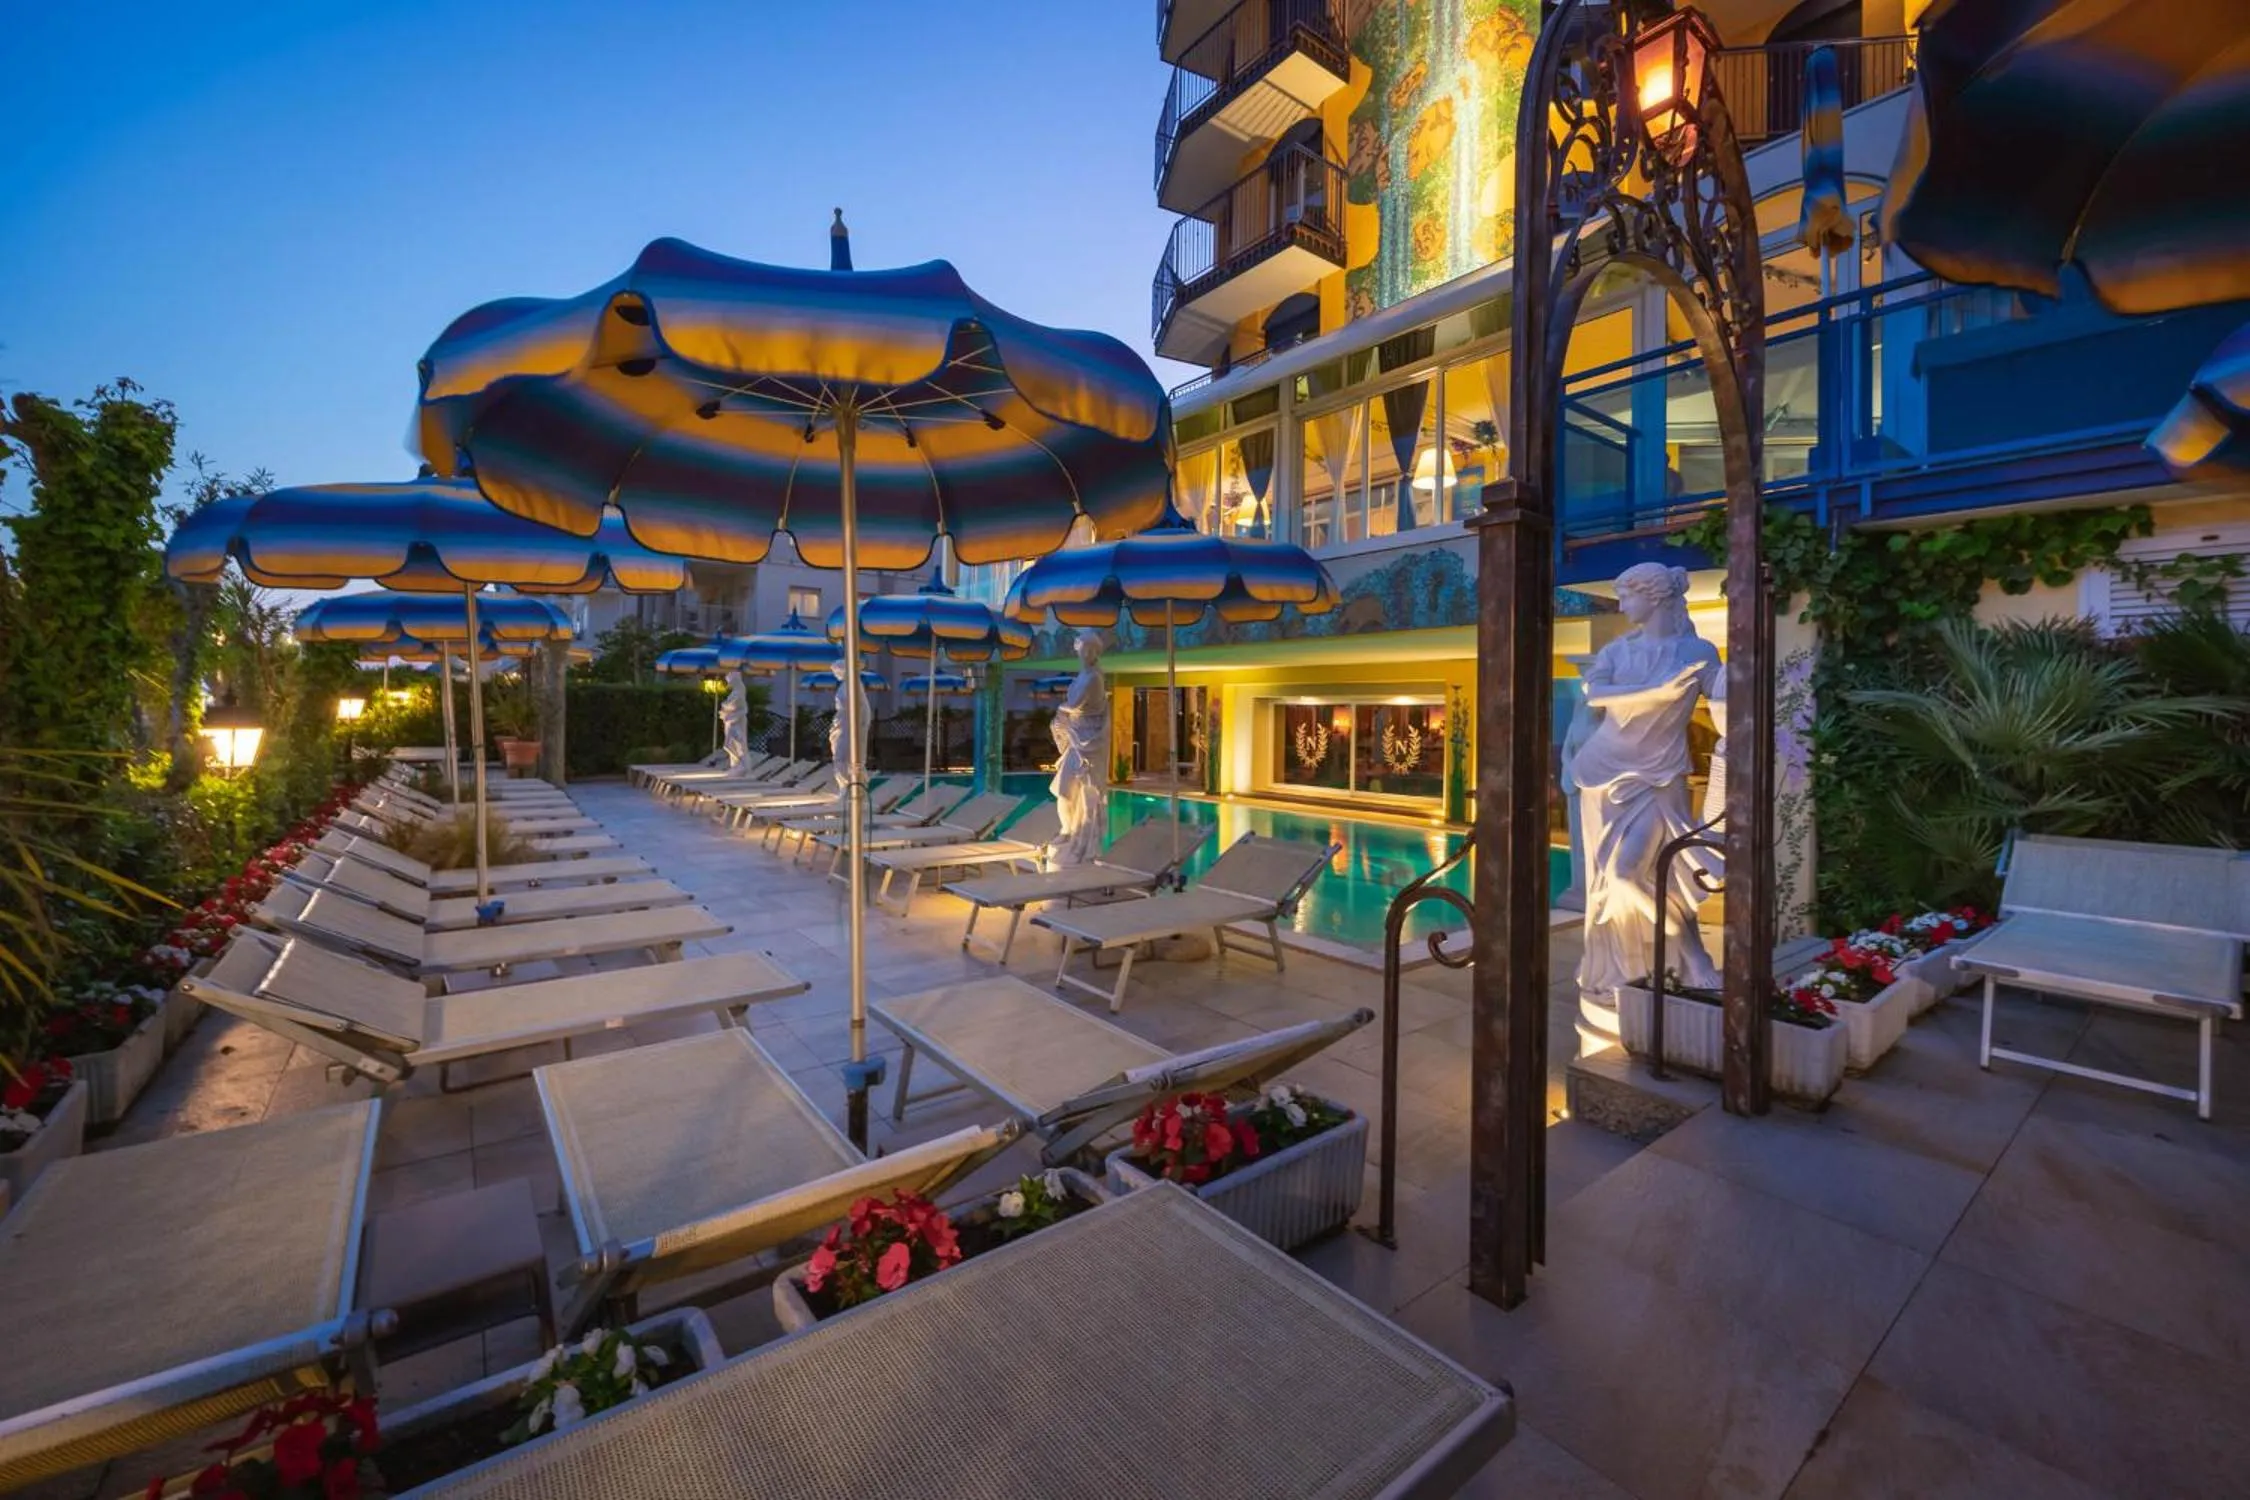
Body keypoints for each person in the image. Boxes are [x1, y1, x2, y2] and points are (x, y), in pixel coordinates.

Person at [1564, 564, 1724, 1043]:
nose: (1621, 604)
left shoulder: (1697, 652)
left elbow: (1723, 699)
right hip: (1602, 772)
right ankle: (1631, 964)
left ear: (1654, 597)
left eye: (1627, 595)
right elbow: (1595, 693)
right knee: (1611, 881)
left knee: (1650, 874)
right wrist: (1659, 692)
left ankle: (1688, 957)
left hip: (1659, 779)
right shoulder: (1618, 651)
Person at [1049, 631, 1110, 866]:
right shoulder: (1082, 675)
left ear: (1096, 652)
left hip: (1088, 742)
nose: (1086, 654)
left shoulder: (1094, 677)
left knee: (1086, 795)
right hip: (1076, 740)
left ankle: (1082, 839)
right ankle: (1066, 831)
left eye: (1091, 650)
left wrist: (1062, 711)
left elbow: (1075, 705)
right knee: (1063, 791)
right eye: (1083, 649)